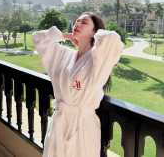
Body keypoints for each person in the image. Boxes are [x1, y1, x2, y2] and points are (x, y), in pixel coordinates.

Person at [32, 11, 124, 157]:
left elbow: (113, 40)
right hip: (59, 122)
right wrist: (65, 36)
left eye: (84, 22)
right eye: (76, 21)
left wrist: (95, 38)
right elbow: (38, 38)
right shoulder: (64, 56)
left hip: (82, 127)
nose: (77, 24)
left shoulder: (97, 60)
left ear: (94, 31)